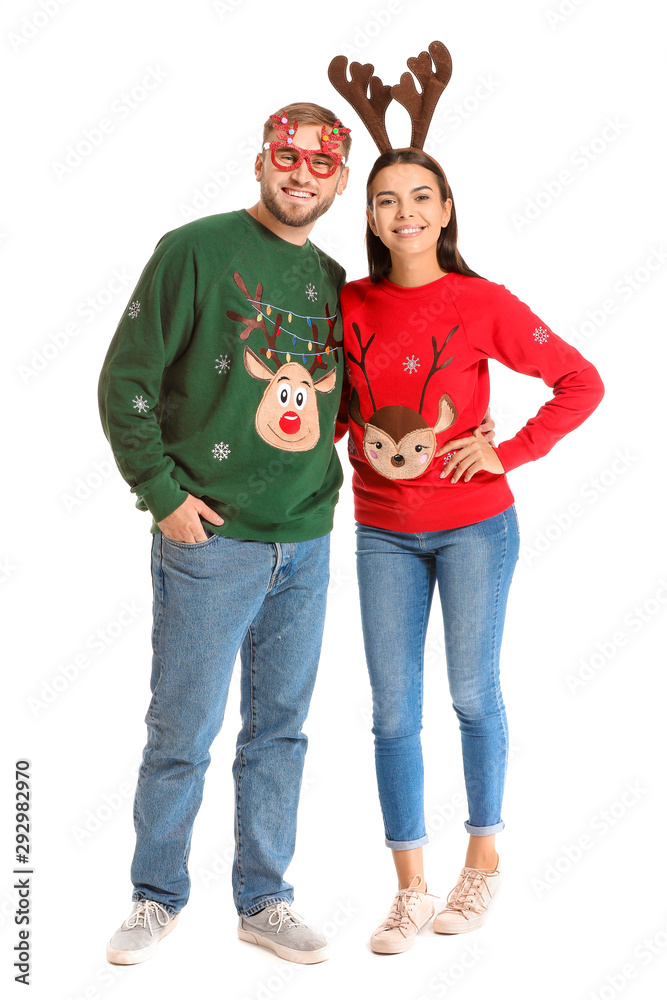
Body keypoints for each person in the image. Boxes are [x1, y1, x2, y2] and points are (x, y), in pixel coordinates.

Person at [97, 103, 353, 966]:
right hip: (210, 542)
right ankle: (155, 894)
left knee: (280, 730)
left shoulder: (331, 278)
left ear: (339, 181)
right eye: (288, 157)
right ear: (259, 162)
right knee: (183, 728)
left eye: (321, 165)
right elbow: (124, 381)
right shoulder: (194, 250)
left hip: (307, 539)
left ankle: (264, 899)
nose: (301, 174)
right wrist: (160, 493)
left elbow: (338, 407)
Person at [334, 149, 604, 952]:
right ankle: (409, 888)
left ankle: (481, 858)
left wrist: (508, 451)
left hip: (473, 527)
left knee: (470, 692)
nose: (404, 212)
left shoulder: (481, 302)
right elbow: (325, 403)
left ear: (446, 209)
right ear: (372, 217)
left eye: (421, 196)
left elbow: (580, 381)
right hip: (381, 529)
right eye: (386, 200)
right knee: (390, 712)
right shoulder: (344, 303)